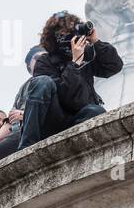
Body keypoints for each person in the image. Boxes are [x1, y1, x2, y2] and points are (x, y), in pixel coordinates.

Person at [14, 13, 123, 150]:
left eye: (72, 31)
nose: (70, 36)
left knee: (95, 111)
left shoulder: (87, 54)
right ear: (55, 37)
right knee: (43, 82)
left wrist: (96, 41)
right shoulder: (45, 61)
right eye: (64, 32)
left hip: (77, 117)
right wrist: (75, 63)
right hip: (53, 120)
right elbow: (66, 96)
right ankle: (26, 147)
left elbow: (114, 66)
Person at [0, 46, 49, 176]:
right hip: (18, 133)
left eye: (44, 57)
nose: (41, 60)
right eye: (36, 58)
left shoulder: (51, 79)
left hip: (36, 130)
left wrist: (24, 115)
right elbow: (9, 122)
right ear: (29, 66)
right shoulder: (24, 88)